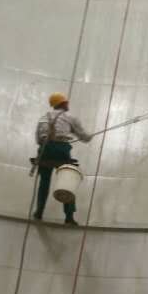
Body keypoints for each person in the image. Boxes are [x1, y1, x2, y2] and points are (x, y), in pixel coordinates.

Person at [33, 93, 93, 226]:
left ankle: (39, 212)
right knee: (67, 182)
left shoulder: (43, 117)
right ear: (62, 103)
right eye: (66, 102)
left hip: (45, 150)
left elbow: (38, 138)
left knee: (44, 183)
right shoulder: (70, 118)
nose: (68, 104)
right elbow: (84, 136)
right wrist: (90, 136)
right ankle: (69, 217)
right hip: (61, 150)